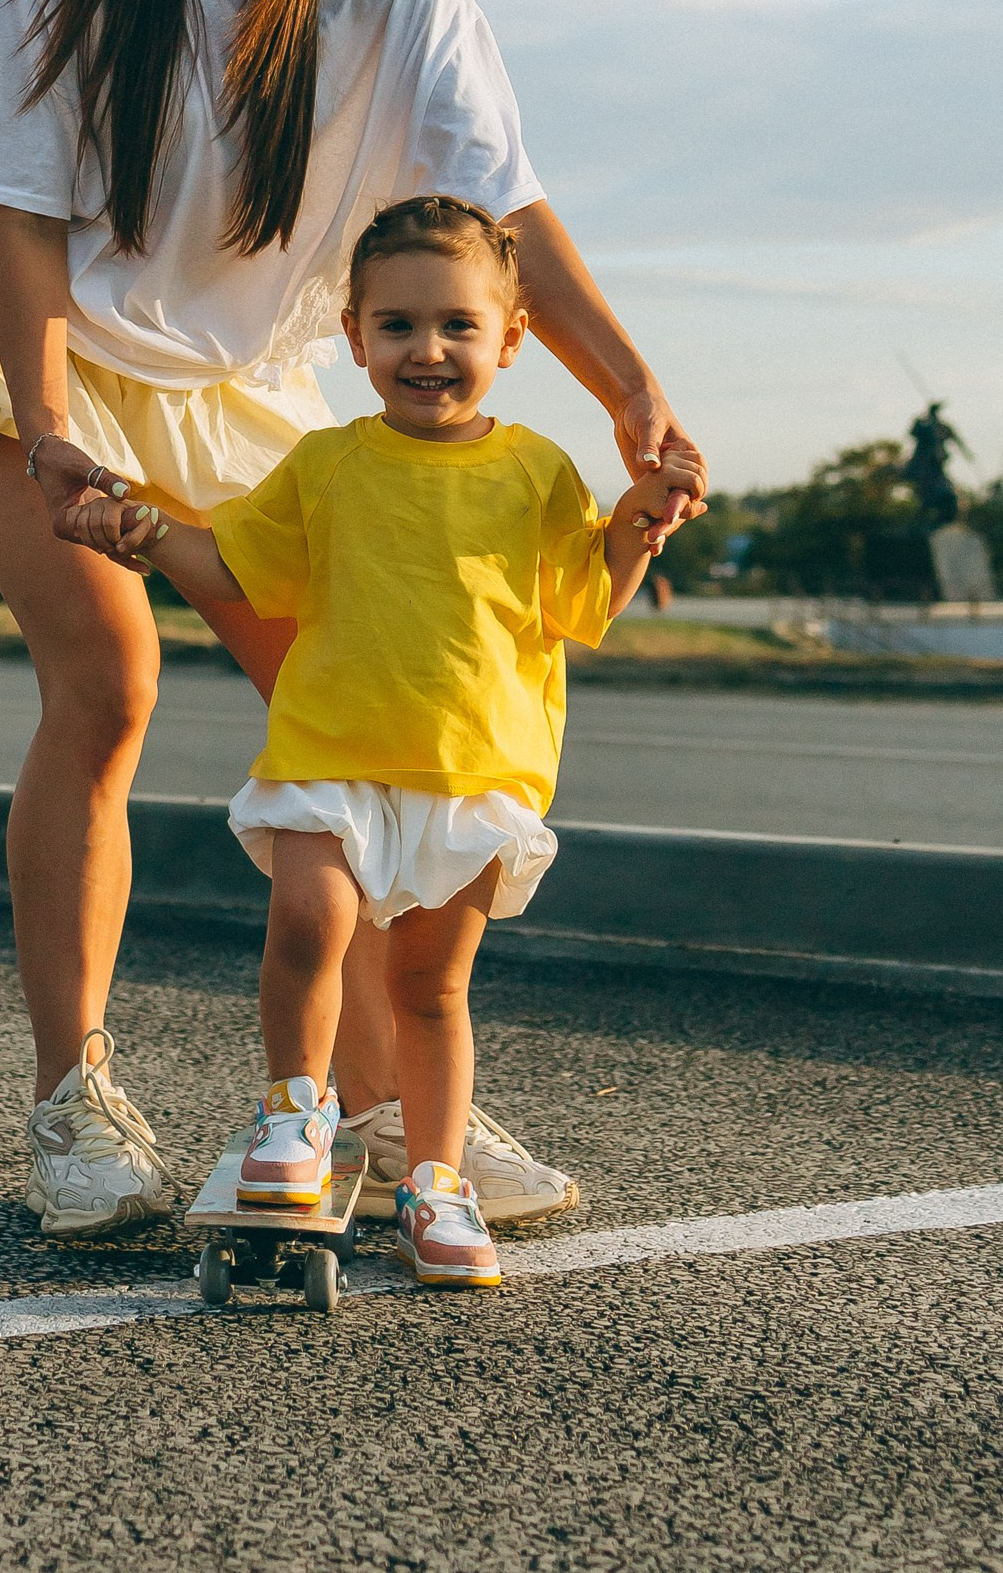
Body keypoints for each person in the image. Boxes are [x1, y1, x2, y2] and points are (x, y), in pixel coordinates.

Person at [0, 0, 706, 1241]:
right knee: (109, 682)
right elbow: (18, 222)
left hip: (246, 385)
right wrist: (44, 424)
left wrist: (633, 392)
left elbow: (499, 207)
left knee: (358, 718)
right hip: (50, 356)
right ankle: (75, 1105)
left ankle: (393, 1112)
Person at [66, 194, 680, 1289]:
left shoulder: (536, 471)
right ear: (354, 340)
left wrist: (640, 517)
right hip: (332, 757)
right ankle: (297, 1119)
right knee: (310, 920)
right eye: (396, 326)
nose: (426, 349)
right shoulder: (329, 464)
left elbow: (585, 601)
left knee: (432, 989)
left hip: (472, 771)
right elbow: (239, 568)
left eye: (455, 325)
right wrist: (149, 536)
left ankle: (435, 1182)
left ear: (510, 338)